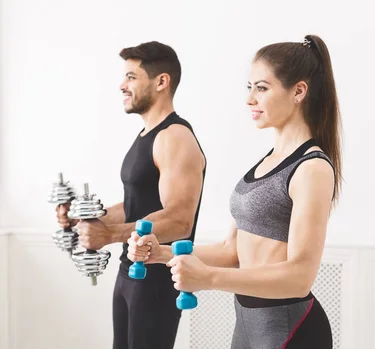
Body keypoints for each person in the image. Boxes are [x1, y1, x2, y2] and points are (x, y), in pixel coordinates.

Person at [127, 34, 342, 349]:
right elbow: (231, 251)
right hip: (248, 323)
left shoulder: (312, 168)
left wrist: (209, 279)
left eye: (262, 88)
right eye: (249, 87)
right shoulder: (267, 162)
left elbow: (300, 277)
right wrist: (162, 253)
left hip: (288, 328)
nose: (250, 99)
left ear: (298, 91)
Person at [56, 41, 207, 349]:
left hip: (156, 279)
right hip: (130, 273)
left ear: (161, 81)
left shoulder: (174, 136)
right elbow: (133, 205)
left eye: (131, 77)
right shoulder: (147, 136)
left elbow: (179, 221)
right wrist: (79, 218)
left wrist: (109, 234)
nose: (122, 85)